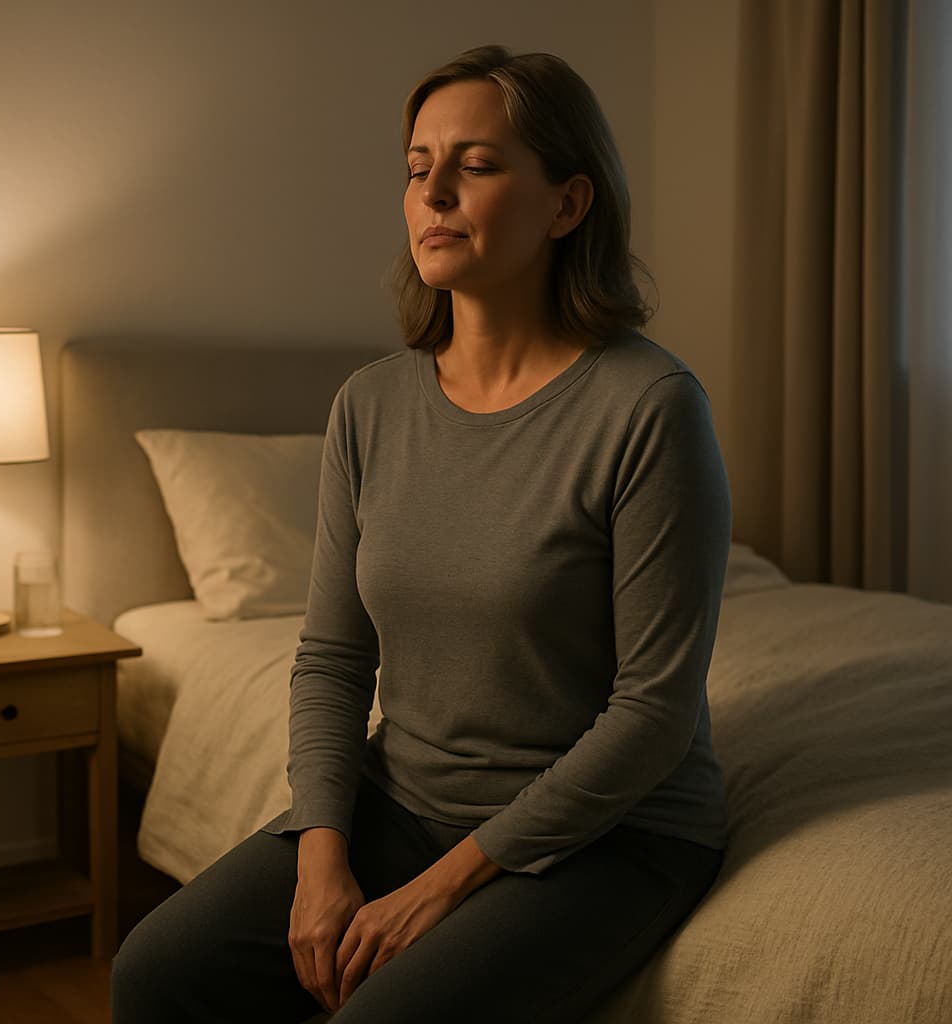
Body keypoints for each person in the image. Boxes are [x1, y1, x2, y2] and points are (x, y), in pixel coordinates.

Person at [112, 43, 731, 1023]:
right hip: (402, 799)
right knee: (153, 972)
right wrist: (322, 851)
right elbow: (328, 656)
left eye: (476, 165)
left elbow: (653, 712)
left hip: (609, 833)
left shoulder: (647, 404)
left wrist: (440, 888)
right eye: (416, 167)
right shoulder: (371, 403)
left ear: (567, 204)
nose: (433, 191)